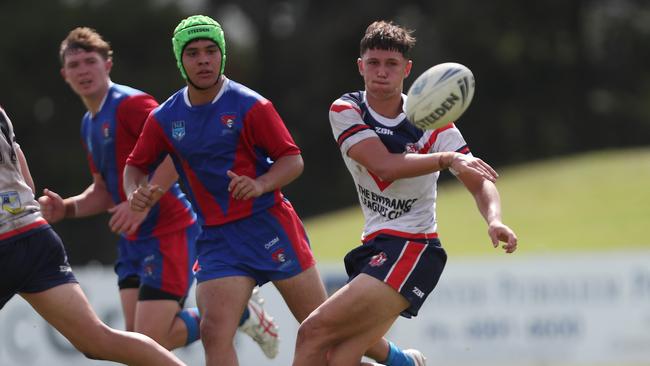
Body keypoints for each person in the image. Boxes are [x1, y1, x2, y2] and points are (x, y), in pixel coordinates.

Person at [38, 26, 279, 358]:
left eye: (89, 61)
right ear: (64, 74)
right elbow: (105, 191)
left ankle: (239, 315)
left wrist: (143, 201)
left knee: (149, 341)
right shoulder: (88, 123)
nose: (83, 71)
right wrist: (66, 208)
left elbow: (177, 150)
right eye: (74, 65)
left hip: (169, 230)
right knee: (138, 344)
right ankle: (238, 316)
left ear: (107, 64)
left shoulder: (132, 104)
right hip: (134, 240)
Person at [293, 20, 519, 366]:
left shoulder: (434, 122)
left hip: (414, 248)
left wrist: (494, 219)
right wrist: (446, 159)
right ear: (360, 66)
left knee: (311, 333)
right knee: (335, 358)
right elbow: (383, 165)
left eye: (391, 64)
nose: (381, 72)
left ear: (407, 69)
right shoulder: (347, 110)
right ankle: (404, 363)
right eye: (373, 63)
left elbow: (478, 178)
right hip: (376, 246)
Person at [0, 105, 186, 365]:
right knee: (99, 340)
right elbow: (27, 186)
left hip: (5, 245)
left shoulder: (128, 105)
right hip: (35, 235)